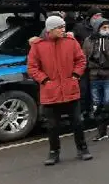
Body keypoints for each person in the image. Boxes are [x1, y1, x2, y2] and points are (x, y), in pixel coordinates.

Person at [27, 15, 92, 165]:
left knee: (77, 122)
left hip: (70, 89)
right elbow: (32, 67)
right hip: (50, 92)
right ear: (50, 29)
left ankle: (82, 149)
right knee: (52, 126)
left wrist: (75, 75)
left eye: (64, 27)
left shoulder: (70, 42)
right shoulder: (38, 45)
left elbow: (81, 60)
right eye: (60, 27)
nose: (64, 30)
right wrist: (45, 80)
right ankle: (53, 152)